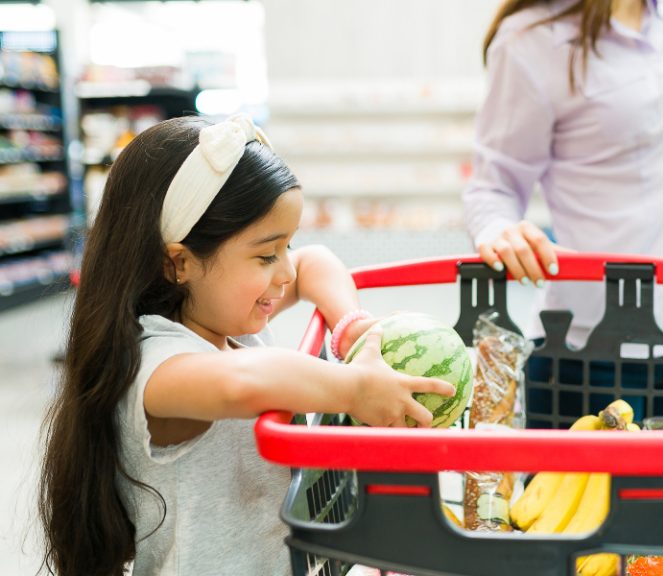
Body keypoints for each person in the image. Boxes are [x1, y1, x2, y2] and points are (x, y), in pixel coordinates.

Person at [37, 115, 454, 576]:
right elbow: (243, 382)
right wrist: (354, 388)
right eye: (265, 254)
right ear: (179, 263)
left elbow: (316, 262)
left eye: (286, 245)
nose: (287, 272)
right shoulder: (153, 363)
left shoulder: (228, 317)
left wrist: (350, 324)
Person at [462, 0, 663, 419]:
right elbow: (493, 186)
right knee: (577, 488)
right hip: (588, 351)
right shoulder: (533, 41)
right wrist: (500, 230)